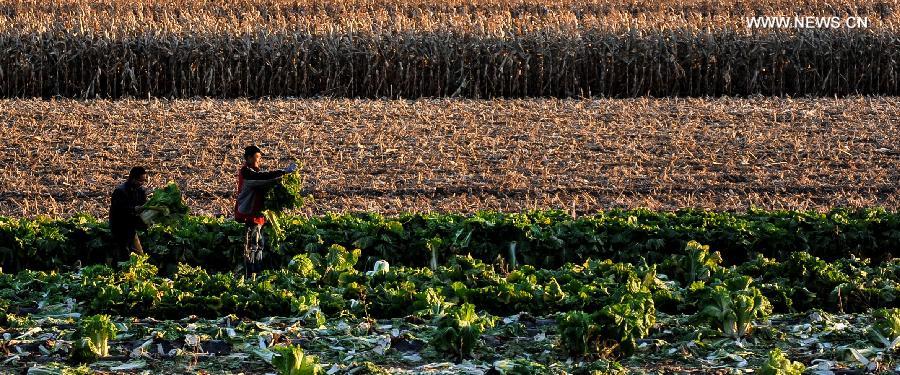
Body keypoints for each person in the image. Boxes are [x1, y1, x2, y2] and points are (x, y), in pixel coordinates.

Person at [235, 145, 297, 277]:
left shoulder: (253, 171)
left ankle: (256, 274)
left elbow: (264, 179)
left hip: (258, 216)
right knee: (252, 247)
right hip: (250, 216)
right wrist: (283, 173)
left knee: (259, 245)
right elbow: (263, 178)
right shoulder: (247, 172)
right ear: (249, 158)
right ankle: (250, 275)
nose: (259, 161)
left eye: (259, 158)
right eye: (257, 158)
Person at [109, 166, 148, 263]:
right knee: (124, 256)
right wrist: (134, 209)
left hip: (131, 228)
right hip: (119, 228)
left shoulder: (141, 191)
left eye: (143, 181)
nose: (142, 183)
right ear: (132, 178)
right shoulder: (120, 191)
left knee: (140, 256)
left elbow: (144, 206)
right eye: (140, 180)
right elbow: (119, 210)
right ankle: (119, 272)